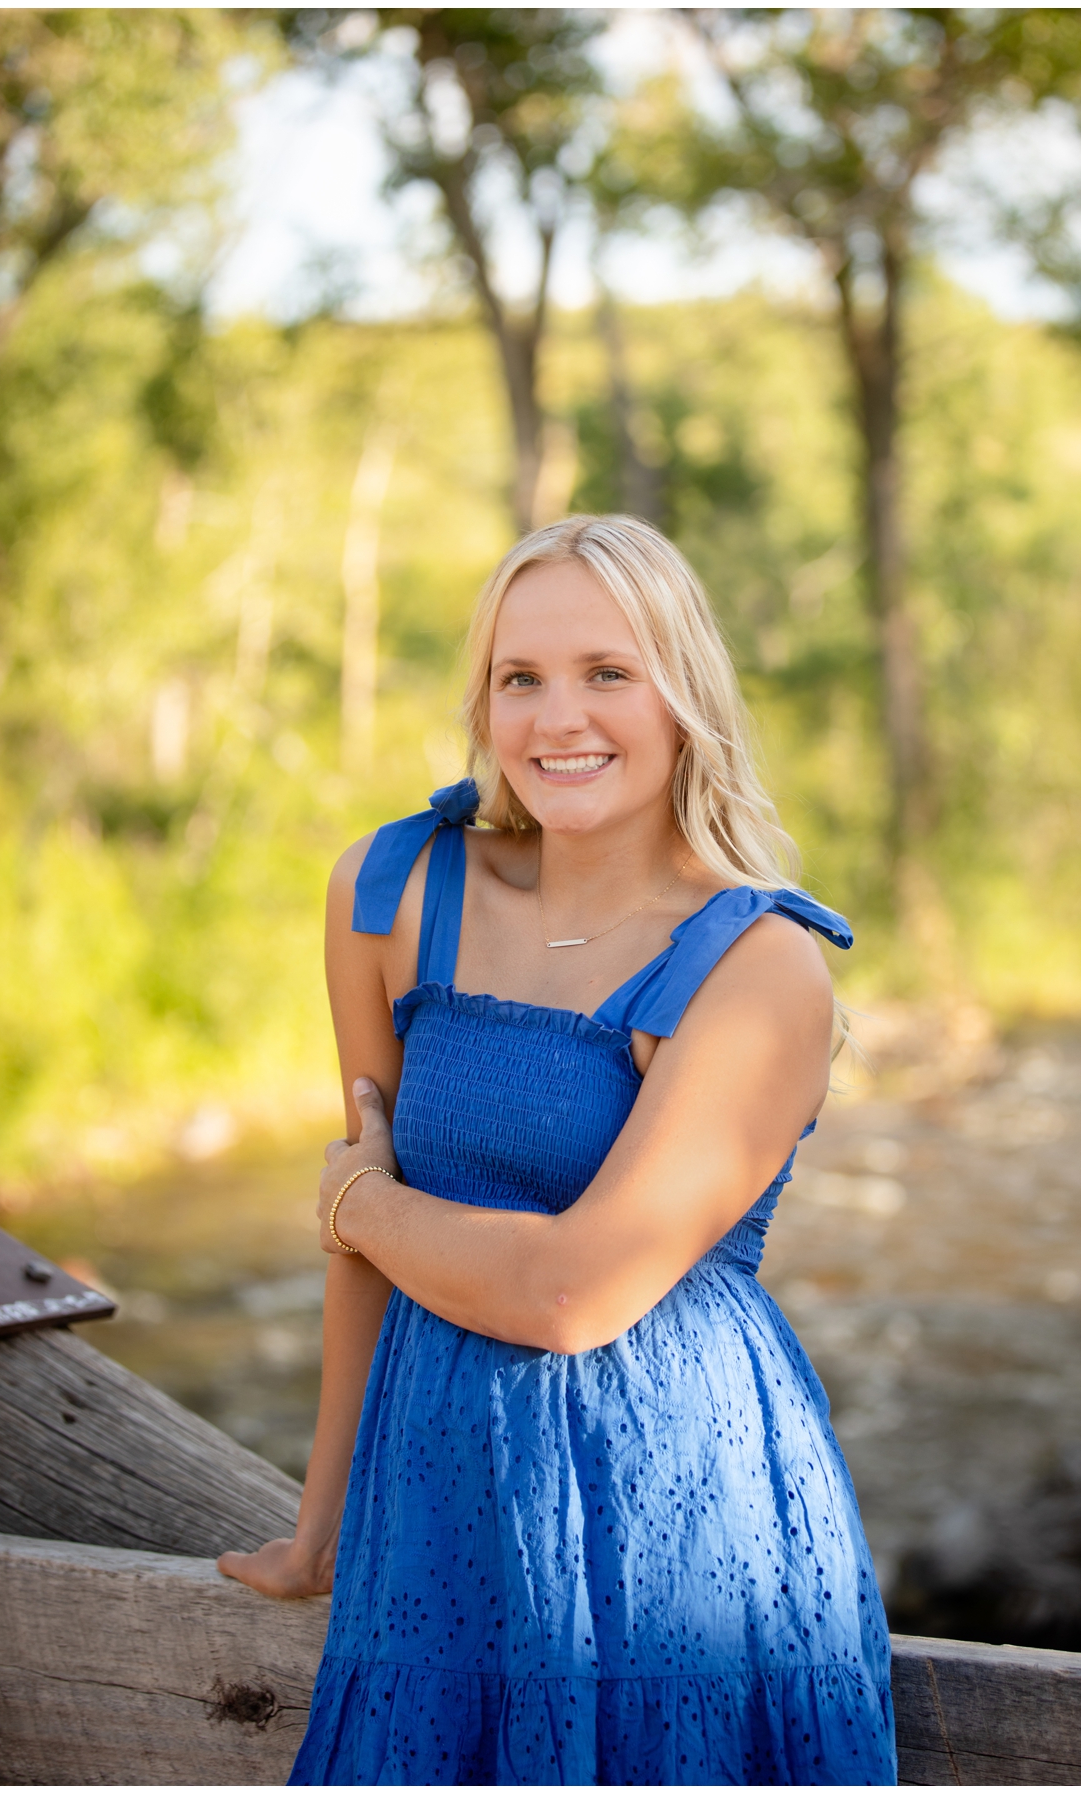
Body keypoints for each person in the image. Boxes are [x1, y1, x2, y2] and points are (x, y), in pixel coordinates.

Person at [218, 515, 895, 1784]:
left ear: (682, 692)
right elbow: (364, 1227)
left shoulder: (758, 966)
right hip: (435, 1502)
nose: (556, 717)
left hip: (680, 1512)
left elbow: (571, 1289)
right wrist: (321, 1528)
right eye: (520, 677)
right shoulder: (393, 887)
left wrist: (359, 1205)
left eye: (608, 673)